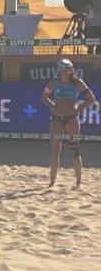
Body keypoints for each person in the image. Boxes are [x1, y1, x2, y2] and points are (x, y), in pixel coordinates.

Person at [42, 58, 96, 188]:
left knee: (75, 150)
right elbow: (44, 98)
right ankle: (52, 182)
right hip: (56, 119)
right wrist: (52, 106)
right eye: (61, 68)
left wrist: (78, 106)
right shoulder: (53, 83)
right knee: (55, 151)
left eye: (66, 68)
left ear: (71, 69)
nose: (63, 71)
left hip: (72, 118)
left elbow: (91, 99)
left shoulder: (77, 83)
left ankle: (78, 182)